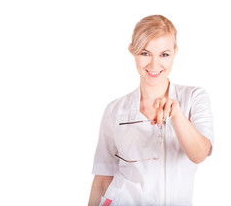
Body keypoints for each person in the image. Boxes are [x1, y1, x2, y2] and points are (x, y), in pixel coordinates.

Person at [88, 15, 214, 206]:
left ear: (174, 53)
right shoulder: (114, 110)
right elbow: (102, 180)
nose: (154, 65)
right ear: (134, 52)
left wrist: (177, 115)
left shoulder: (194, 98)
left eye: (164, 54)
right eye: (145, 53)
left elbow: (199, 154)